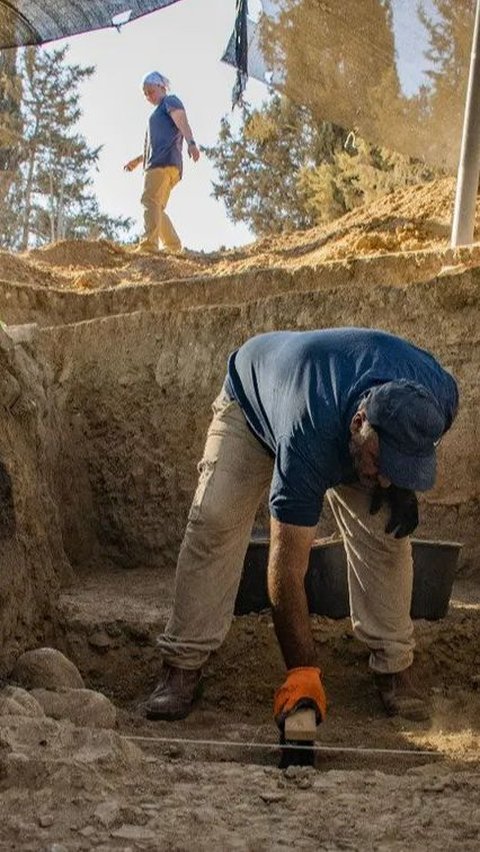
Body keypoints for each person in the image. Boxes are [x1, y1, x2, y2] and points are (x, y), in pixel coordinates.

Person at [143, 327, 458, 729]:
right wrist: (303, 673)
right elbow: (286, 570)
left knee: (386, 536)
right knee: (214, 521)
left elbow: (400, 453)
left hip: (334, 404)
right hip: (253, 403)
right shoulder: (307, 432)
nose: (383, 479)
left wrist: (401, 482)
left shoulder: (439, 397)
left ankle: (395, 666)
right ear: (359, 422)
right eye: (382, 463)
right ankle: (181, 663)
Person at [124, 71, 200, 253]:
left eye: (150, 91)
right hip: (165, 162)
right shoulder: (159, 113)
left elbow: (181, 119)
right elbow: (157, 143)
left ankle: (148, 245)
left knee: (149, 200)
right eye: (145, 93)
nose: (148, 96)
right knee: (157, 207)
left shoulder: (169, 101)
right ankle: (173, 245)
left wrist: (191, 143)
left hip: (161, 163)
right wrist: (138, 160)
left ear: (161, 87)